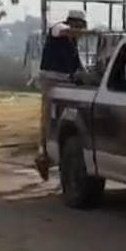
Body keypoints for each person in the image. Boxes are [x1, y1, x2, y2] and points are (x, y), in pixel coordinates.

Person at [34, 10, 88, 179]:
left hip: (66, 82)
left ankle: (53, 151)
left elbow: (78, 66)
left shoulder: (72, 43)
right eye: (80, 28)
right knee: (47, 117)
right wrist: (87, 32)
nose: (81, 33)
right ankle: (43, 153)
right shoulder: (58, 29)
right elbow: (63, 30)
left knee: (62, 117)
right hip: (51, 80)